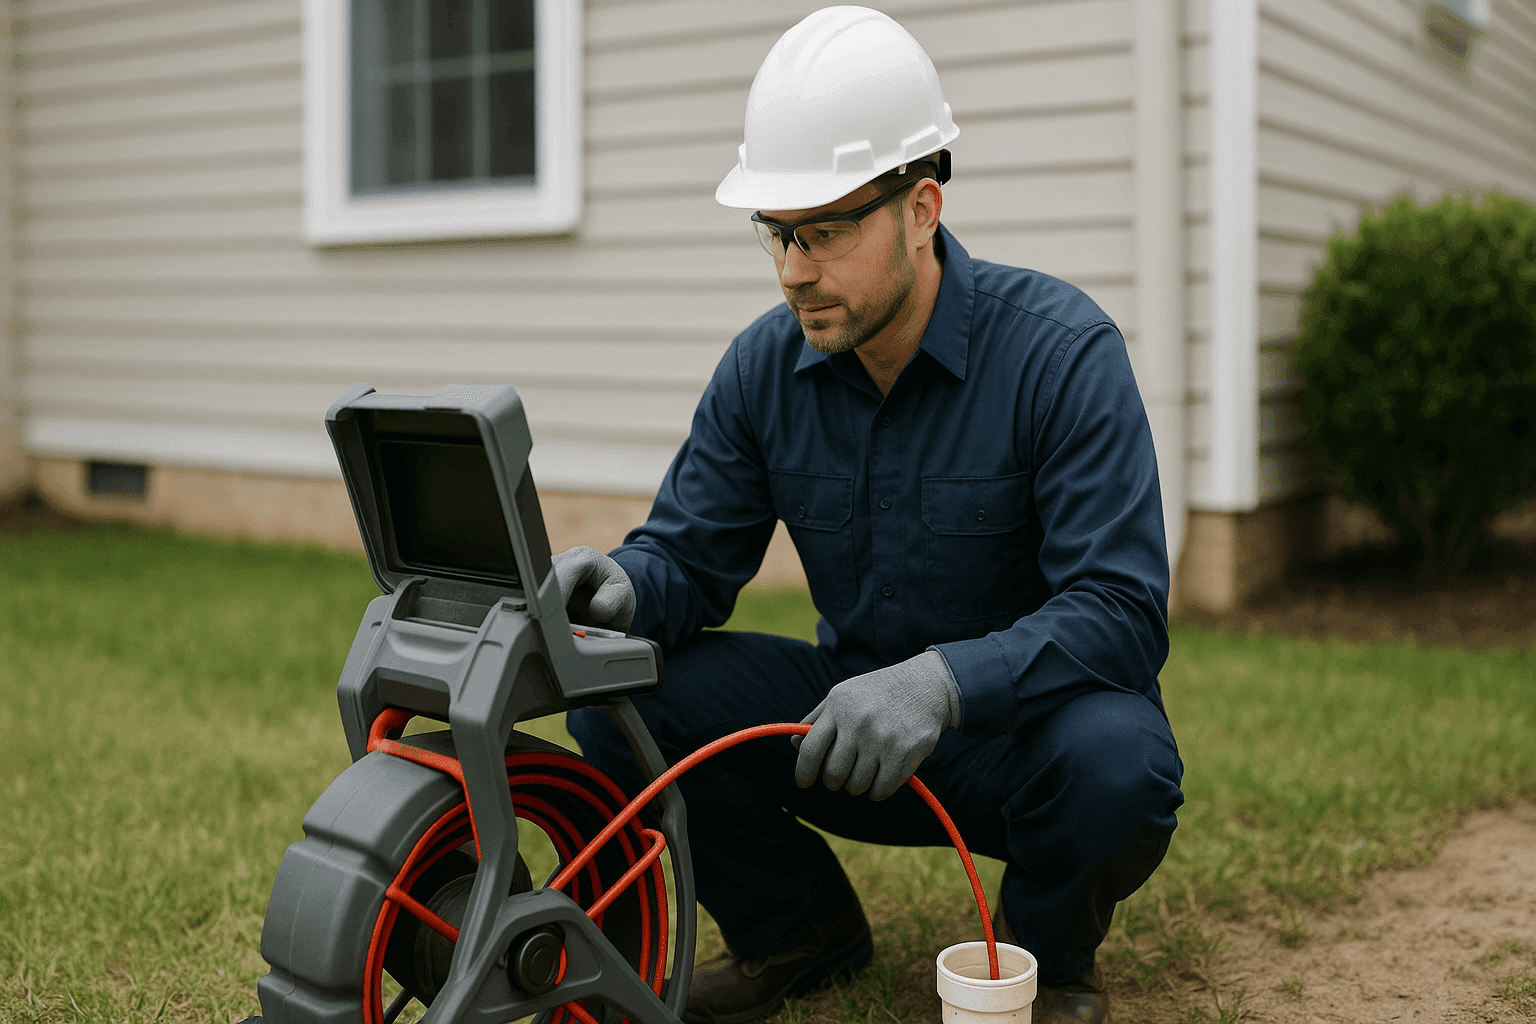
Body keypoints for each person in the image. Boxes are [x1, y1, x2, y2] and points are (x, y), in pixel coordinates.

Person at [556, 8, 1184, 1024]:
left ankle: (1038, 962)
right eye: (777, 234)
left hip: (1021, 742)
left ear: (922, 207)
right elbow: (690, 555)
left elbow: (1121, 611)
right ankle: (797, 930)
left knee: (1122, 763)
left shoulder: (1063, 355)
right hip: (843, 734)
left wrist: (943, 684)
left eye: (824, 231)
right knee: (624, 697)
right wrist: (627, 584)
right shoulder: (763, 368)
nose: (792, 268)